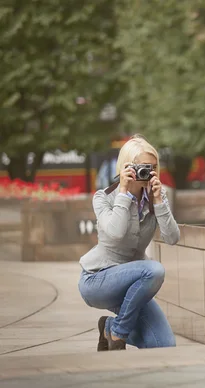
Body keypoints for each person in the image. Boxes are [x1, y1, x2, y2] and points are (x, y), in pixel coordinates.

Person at [78, 135, 180, 351]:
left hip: (134, 284)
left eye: (152, 167)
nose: (147, 173)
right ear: (126, 167)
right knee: (154, 270)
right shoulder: (103, 197)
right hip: (98, 280)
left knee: (164, 345)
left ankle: (111, 327)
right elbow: (115, 233)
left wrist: (159, 202)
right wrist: (124, 193)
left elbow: (172, 238)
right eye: (141, 167)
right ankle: (118, 334)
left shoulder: (156, 197)